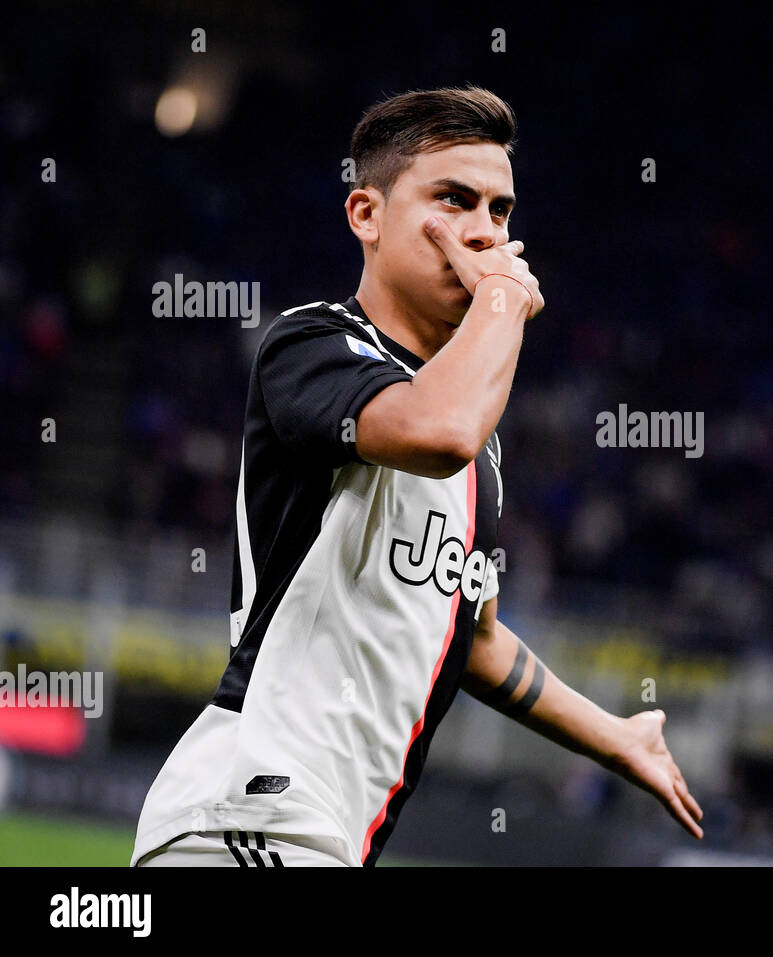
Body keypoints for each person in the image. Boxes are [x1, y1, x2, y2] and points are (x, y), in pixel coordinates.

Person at [131, 85, 703, 866]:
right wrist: (501, 296)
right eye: (454, 200)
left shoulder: (480, 447)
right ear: (366, 215)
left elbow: (474, 638)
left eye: (500, 212)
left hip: (325, 833)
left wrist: (614, 736)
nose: (483, 233)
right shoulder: (313, 345)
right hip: (250, 812)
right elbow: (438, 431)